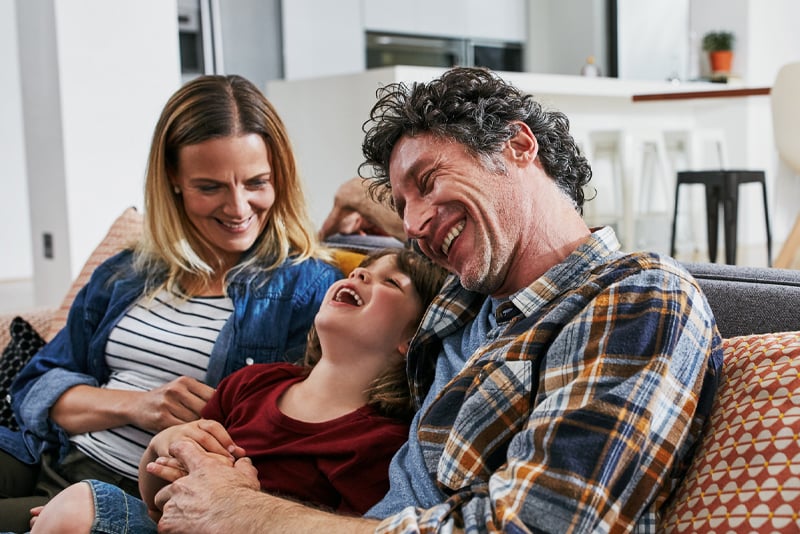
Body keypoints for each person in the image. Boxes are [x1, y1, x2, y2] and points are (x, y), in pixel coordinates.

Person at [152, 67, 723, 533]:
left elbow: (540, 526)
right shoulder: (465, 299)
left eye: (428, 181)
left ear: (520, 144)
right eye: (402, 206)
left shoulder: (636, 295)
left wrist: (244, 515)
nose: (417, 223)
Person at [0, 74, 342, 533]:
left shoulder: (308, 288)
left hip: (137, 493)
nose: (239, 207)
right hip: (49, 454)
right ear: (174, 182)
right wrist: (137, 405)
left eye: (256, 182)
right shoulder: (129, 270)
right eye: (210, 187)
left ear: (280, 176)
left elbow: (291, 440)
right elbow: (36, 386)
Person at [27, 248, 449, 533]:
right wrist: (164, 445)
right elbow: (159, 502)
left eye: (391, 283)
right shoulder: (254, 382)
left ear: (413, 339)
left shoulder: (380, 443)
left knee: (79, 506)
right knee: (77, 505)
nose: (358, 273)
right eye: (363, 270)